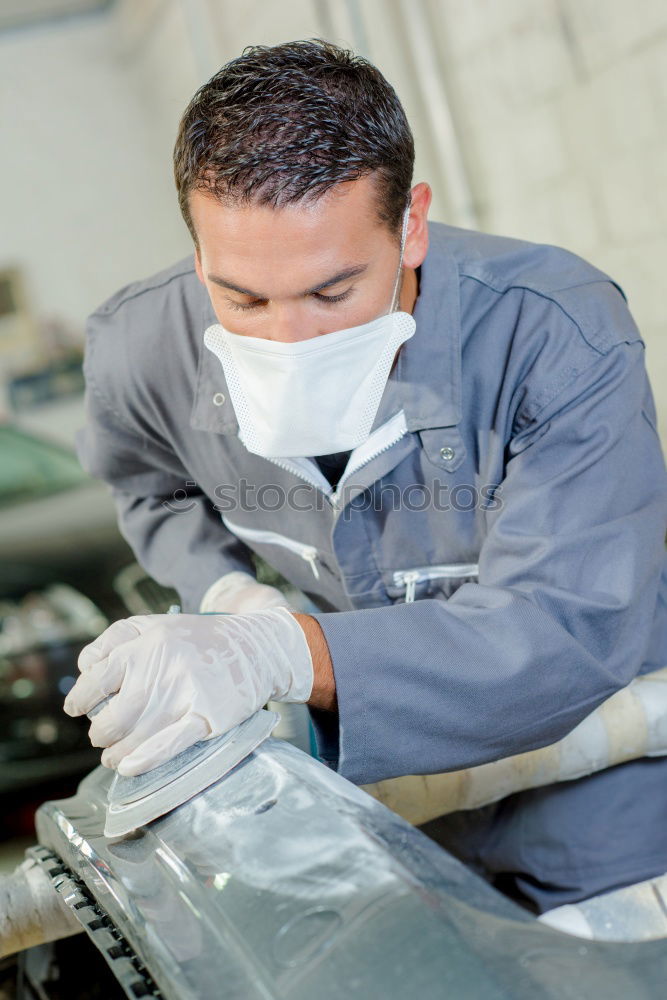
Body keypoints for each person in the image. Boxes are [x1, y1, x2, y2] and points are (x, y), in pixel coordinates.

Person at [65, 39, 667, 916]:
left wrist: (281, 654)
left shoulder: (555, 334)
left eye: (332, 291)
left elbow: (565, 627)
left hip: (598, 796)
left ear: (410, 224)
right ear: (198, 254)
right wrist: (230, 596)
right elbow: (150, 491)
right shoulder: (138, 348)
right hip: (379, 814)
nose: (288, 342)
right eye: (242, 299)